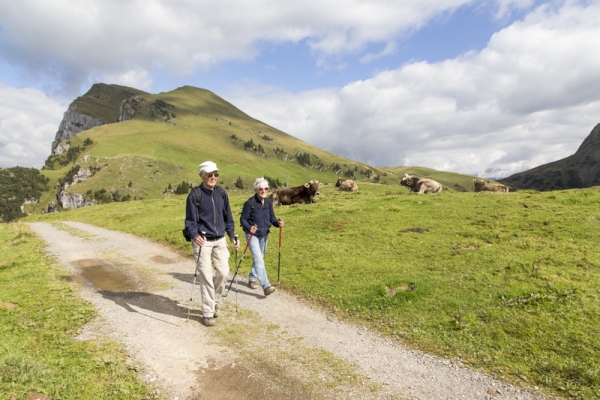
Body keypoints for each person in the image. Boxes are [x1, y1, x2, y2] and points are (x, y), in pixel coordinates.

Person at [185, 161, 239, 326]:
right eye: (210, 175)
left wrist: (232, 235)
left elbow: (228, 218)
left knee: (223, 272)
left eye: (216, 174)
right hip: (203, 242)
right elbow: (190, 222)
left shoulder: (222, 194)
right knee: (206, 276)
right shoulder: (195, 195)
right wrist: (194, 235)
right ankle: (208, 311)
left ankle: (215, 301)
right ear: (201, 175)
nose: (213, 177)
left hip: (220, 239)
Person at [240, 177, 284, 297]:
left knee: (260, 258)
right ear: (256, 190)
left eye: (266, 188)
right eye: (261, 189)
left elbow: (272, 218)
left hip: (264, 234)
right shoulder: (250, 203)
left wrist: (278, 223)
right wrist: (250, 228)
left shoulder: (269, 202)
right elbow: (243, 219)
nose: (263, 191)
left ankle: (252, 278)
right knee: (259, 259)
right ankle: (266, 286)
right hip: (252, 235)